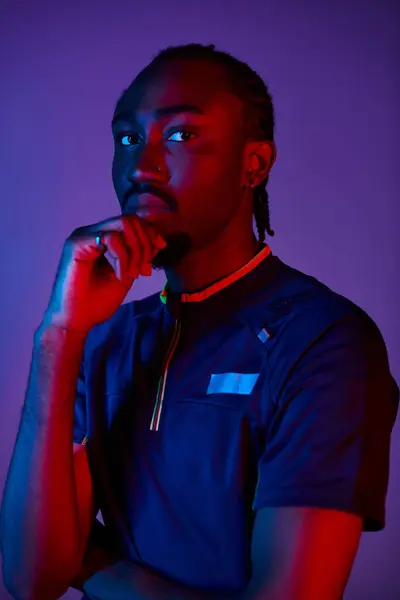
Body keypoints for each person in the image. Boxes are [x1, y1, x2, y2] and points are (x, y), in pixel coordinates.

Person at [1, 43, 398, 600]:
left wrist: (94, 566)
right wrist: (58, 336)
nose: (141, 165)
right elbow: (30, 579)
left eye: (181, 135)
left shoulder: (324, 340)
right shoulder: (105, 340)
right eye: (127, 138)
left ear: (254, 163)